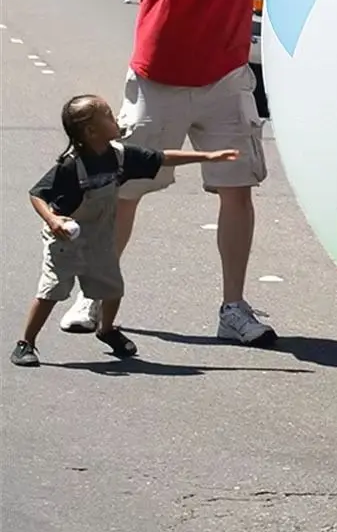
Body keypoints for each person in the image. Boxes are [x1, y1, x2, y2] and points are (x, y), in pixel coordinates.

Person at [59, 0, 287, 346]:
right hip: (160, 76)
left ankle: (233, 309)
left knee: (238, 189)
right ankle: (94, 295)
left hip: (226, 77)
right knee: (121, 190)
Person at [11, 95, 239, 367]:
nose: (115, 118)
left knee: (113, 288)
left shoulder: (120, 156)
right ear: (91, 131)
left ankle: (106, 330)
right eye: (107, 115)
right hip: (66, 241)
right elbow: (37, 194)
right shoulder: (71, 166)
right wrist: (52, 220)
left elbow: (162, 157)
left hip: (99, 237)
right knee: (52, 291)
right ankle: (26, 343)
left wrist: (208, 156)